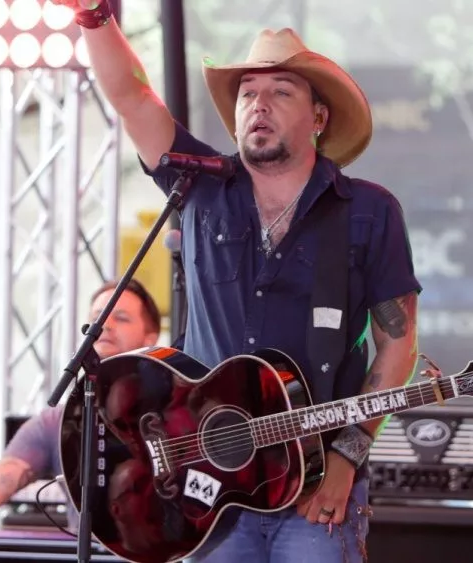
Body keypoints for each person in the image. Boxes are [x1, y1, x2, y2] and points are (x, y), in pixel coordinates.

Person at [52, 3, 421, 562]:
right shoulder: (199, 186)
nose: (259, 104)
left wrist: (346, 460)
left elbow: (398, 347)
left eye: (281, 92)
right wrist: (95, 17)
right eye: (248, 93)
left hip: (314, 483)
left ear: (319, 117)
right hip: (206, 488)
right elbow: (133, 99)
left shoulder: (368, 211)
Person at [0, 279, 162, 531]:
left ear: (150, 338)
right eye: (97, 317)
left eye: (122, 318)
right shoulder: (56, 423)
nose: (105, 325)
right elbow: (0, 479)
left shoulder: (171, 408)